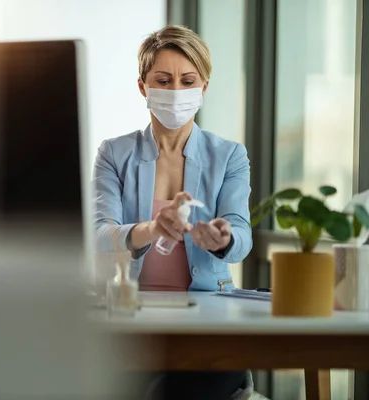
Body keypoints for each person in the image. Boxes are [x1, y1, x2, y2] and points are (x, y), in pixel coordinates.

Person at [93, 25, 254, 399]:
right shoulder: (115, 154)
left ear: (204, 88)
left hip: (207, 319)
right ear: (143, 87)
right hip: (131, 318)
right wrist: (151, 229)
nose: (176, 91)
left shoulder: (229, 155)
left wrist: (224, 239)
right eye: (163, 80)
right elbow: (101, 233)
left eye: (187, 80)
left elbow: (242, 236)